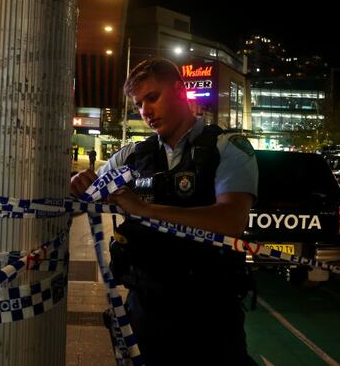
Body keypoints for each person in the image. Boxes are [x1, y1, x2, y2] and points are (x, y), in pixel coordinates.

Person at [70, 58, 258, 365]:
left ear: (180, 91)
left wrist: (145, 209)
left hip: (210, 317)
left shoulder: (227, 148)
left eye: (152, 97)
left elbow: (231, 220)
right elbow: (87, 196)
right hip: (146, 311)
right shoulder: (134, 156)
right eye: (139, 103)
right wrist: (77, 183)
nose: (145, 111)